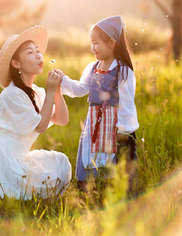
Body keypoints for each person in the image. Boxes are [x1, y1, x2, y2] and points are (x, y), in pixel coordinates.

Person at [0, 25, 72, 207]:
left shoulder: (37, 93)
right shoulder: (12, 95)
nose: (38, 55)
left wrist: (57, 91)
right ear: (16, 63)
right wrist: (49, 92)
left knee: (61, 164)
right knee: (0, 200)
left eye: (38, 51)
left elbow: (62, 120)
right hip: (1, 159)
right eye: (30, 53)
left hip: (19, 157)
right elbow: (40, 126)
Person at [56, 15, 139, 194]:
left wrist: (124, 129)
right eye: (91, 43)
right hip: (94, 124)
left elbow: (127, 102)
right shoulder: (92, 68)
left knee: (115, 165)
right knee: (90, 158)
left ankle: (112, 194)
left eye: (96, 43)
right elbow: (79, 88)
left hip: (114, 127)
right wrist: (62, 80)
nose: (92, 48)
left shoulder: (123, 71)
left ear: (111, 43)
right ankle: (89, 193)